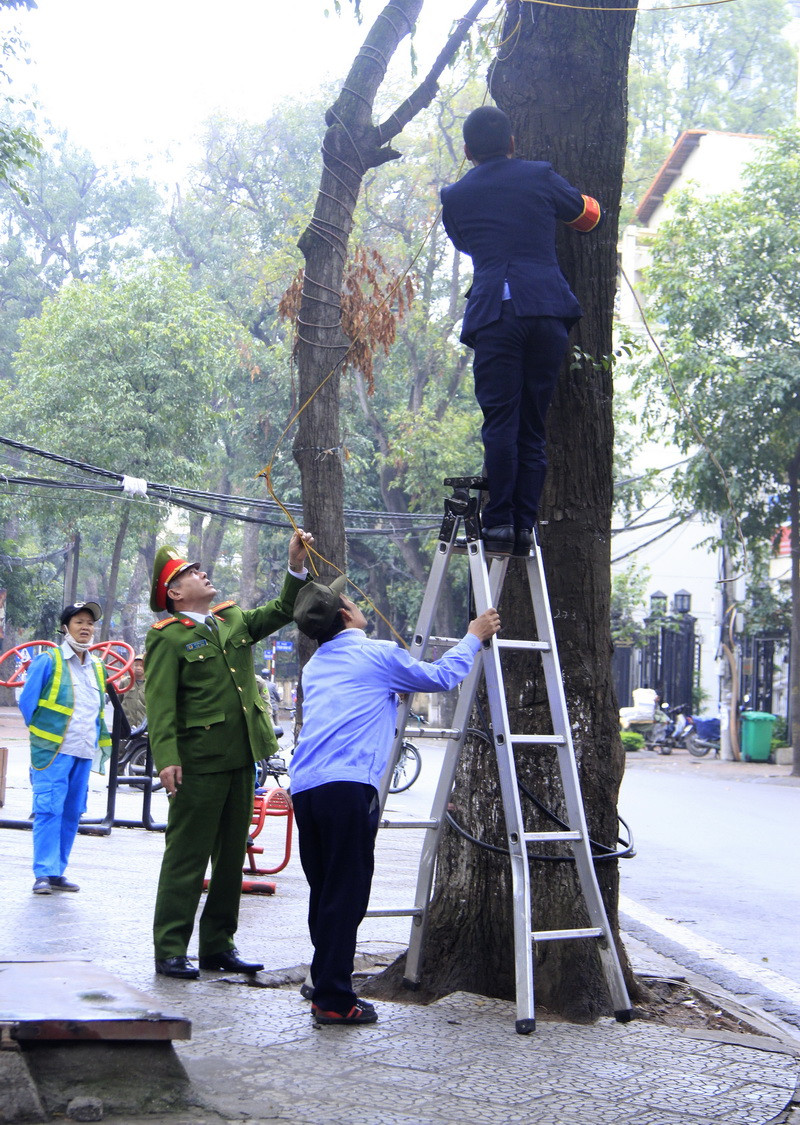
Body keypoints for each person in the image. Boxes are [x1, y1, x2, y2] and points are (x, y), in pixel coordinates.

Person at [290, 575, 501, 1025]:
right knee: (346, 896)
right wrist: (473, 637)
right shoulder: (378, 654)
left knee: (325, 890)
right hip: (347, 788)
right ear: (345, 614)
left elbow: (357, 698)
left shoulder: (315, 667)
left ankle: (322, 980)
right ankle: (333, 999)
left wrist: (391, 690)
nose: (357, 601)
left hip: (306, 787)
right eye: (351, 599)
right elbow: (442, 677)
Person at [145, 528, 313, 980]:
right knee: (186, 856)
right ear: (175, 593)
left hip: (243, 758)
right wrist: (167, 759)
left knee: (230, 858)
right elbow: (160, 703)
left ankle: (218, 944)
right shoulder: (167, 638)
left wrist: (295, 565)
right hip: (197, 762)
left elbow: (281, 610)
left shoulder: (230, 619)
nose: (202, 572)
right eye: (189, 572)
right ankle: (170, 949)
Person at [440, 105, 604, 556]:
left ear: (469, 151)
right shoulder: (539, 175)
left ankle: (498, 526)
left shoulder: (454, 196)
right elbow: (589, 218)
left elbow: (466, 242)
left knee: (500, 423)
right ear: (512, 143)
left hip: (495, 314)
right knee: (532, 425)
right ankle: (523, 525)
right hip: (547, 311)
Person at [18, 601, 111, 895]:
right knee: (48, 810)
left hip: (83, 751)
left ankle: (58, 872)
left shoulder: (96, 666)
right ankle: (43, 873)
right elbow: (27, 703)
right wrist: (43, 737)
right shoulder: (48, 661)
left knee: (72, 812)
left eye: (90, 623)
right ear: (65, 627)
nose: (86, 628)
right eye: (79, 622)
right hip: (53, 752)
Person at [120, 654, 147, 730]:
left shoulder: (151, 684)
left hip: (143, 727)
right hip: (126, 726)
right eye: (136, 665)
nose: (138, 668)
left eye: (141, 665)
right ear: (132, 666)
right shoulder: (125, 682)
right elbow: (119, 701)